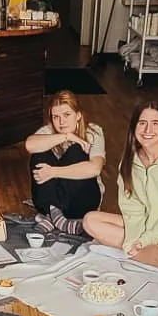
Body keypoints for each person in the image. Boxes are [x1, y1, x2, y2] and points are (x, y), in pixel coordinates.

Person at [76, 101, 158, 267]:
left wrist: (145, 239)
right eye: (142, 123)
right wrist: (136, 236)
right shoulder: (130, 160)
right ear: (134, 126)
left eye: (155, 124)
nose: (148, 130)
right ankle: (146, 255)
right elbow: (131, 207)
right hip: (142, 225)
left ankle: (132, 253)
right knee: (89, 221)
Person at [24, 89, 106, 229]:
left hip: (81, 202)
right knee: (39, 153)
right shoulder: (49, 131)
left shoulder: (93, 132)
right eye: (56, 117)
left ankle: (52, 218)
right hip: (51, 201)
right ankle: (57, 217)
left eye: (67, 115)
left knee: (77, 150)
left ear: (78, 115)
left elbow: (95, 168)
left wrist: (53, 172)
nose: (61, 121)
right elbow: (29, 145)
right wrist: (66, 136)